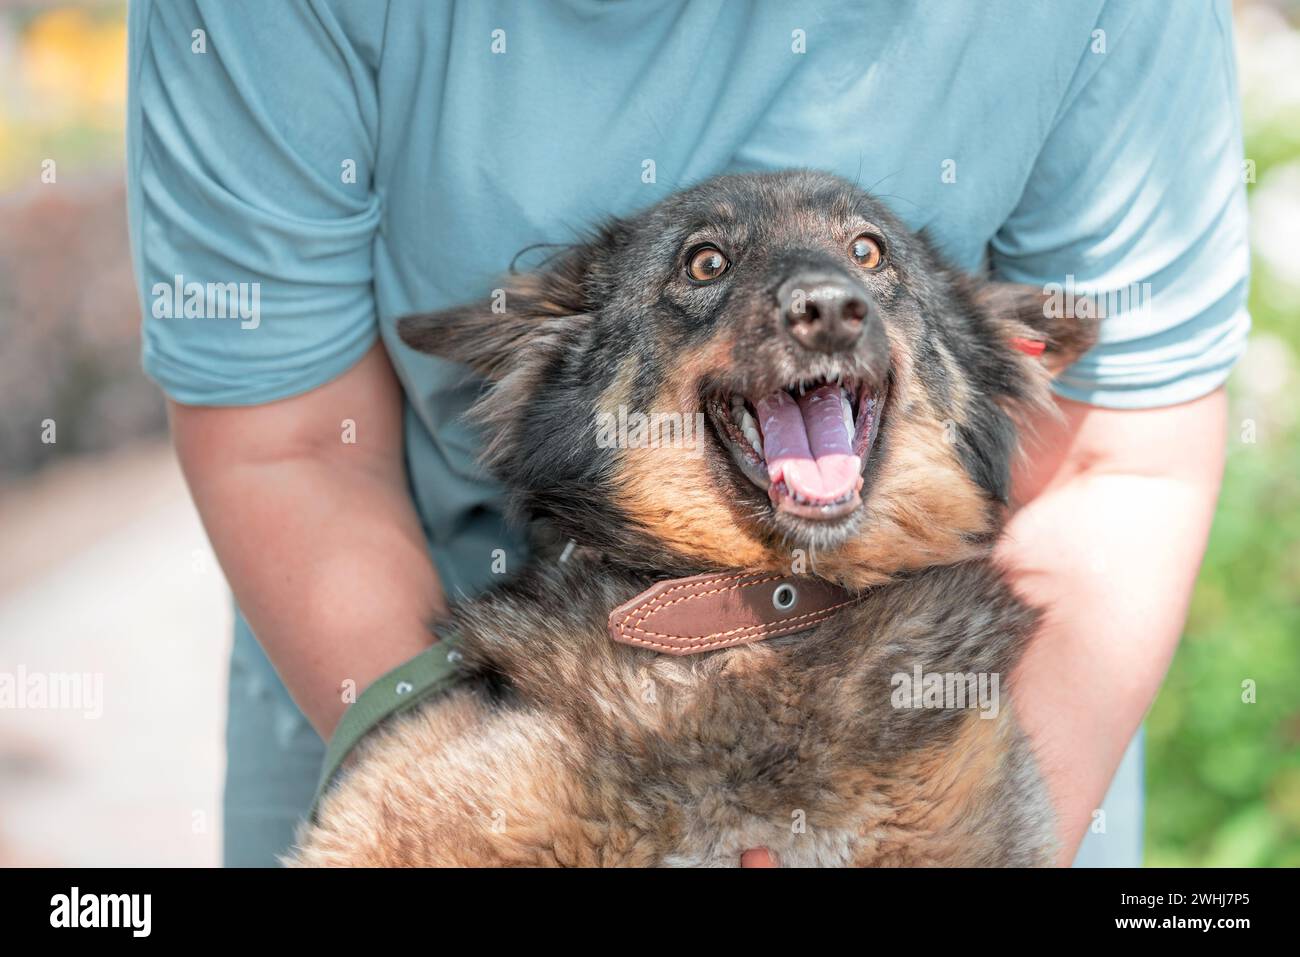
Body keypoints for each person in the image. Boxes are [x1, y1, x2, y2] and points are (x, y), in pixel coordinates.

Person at [126, 0, 1248, 867]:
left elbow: (1120, 461)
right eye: (706, 270)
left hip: (991, 689)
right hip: (405, 623)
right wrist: (444, 782)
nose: (824, 301)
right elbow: (288, 444)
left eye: (869, 263)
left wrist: (976, 831)